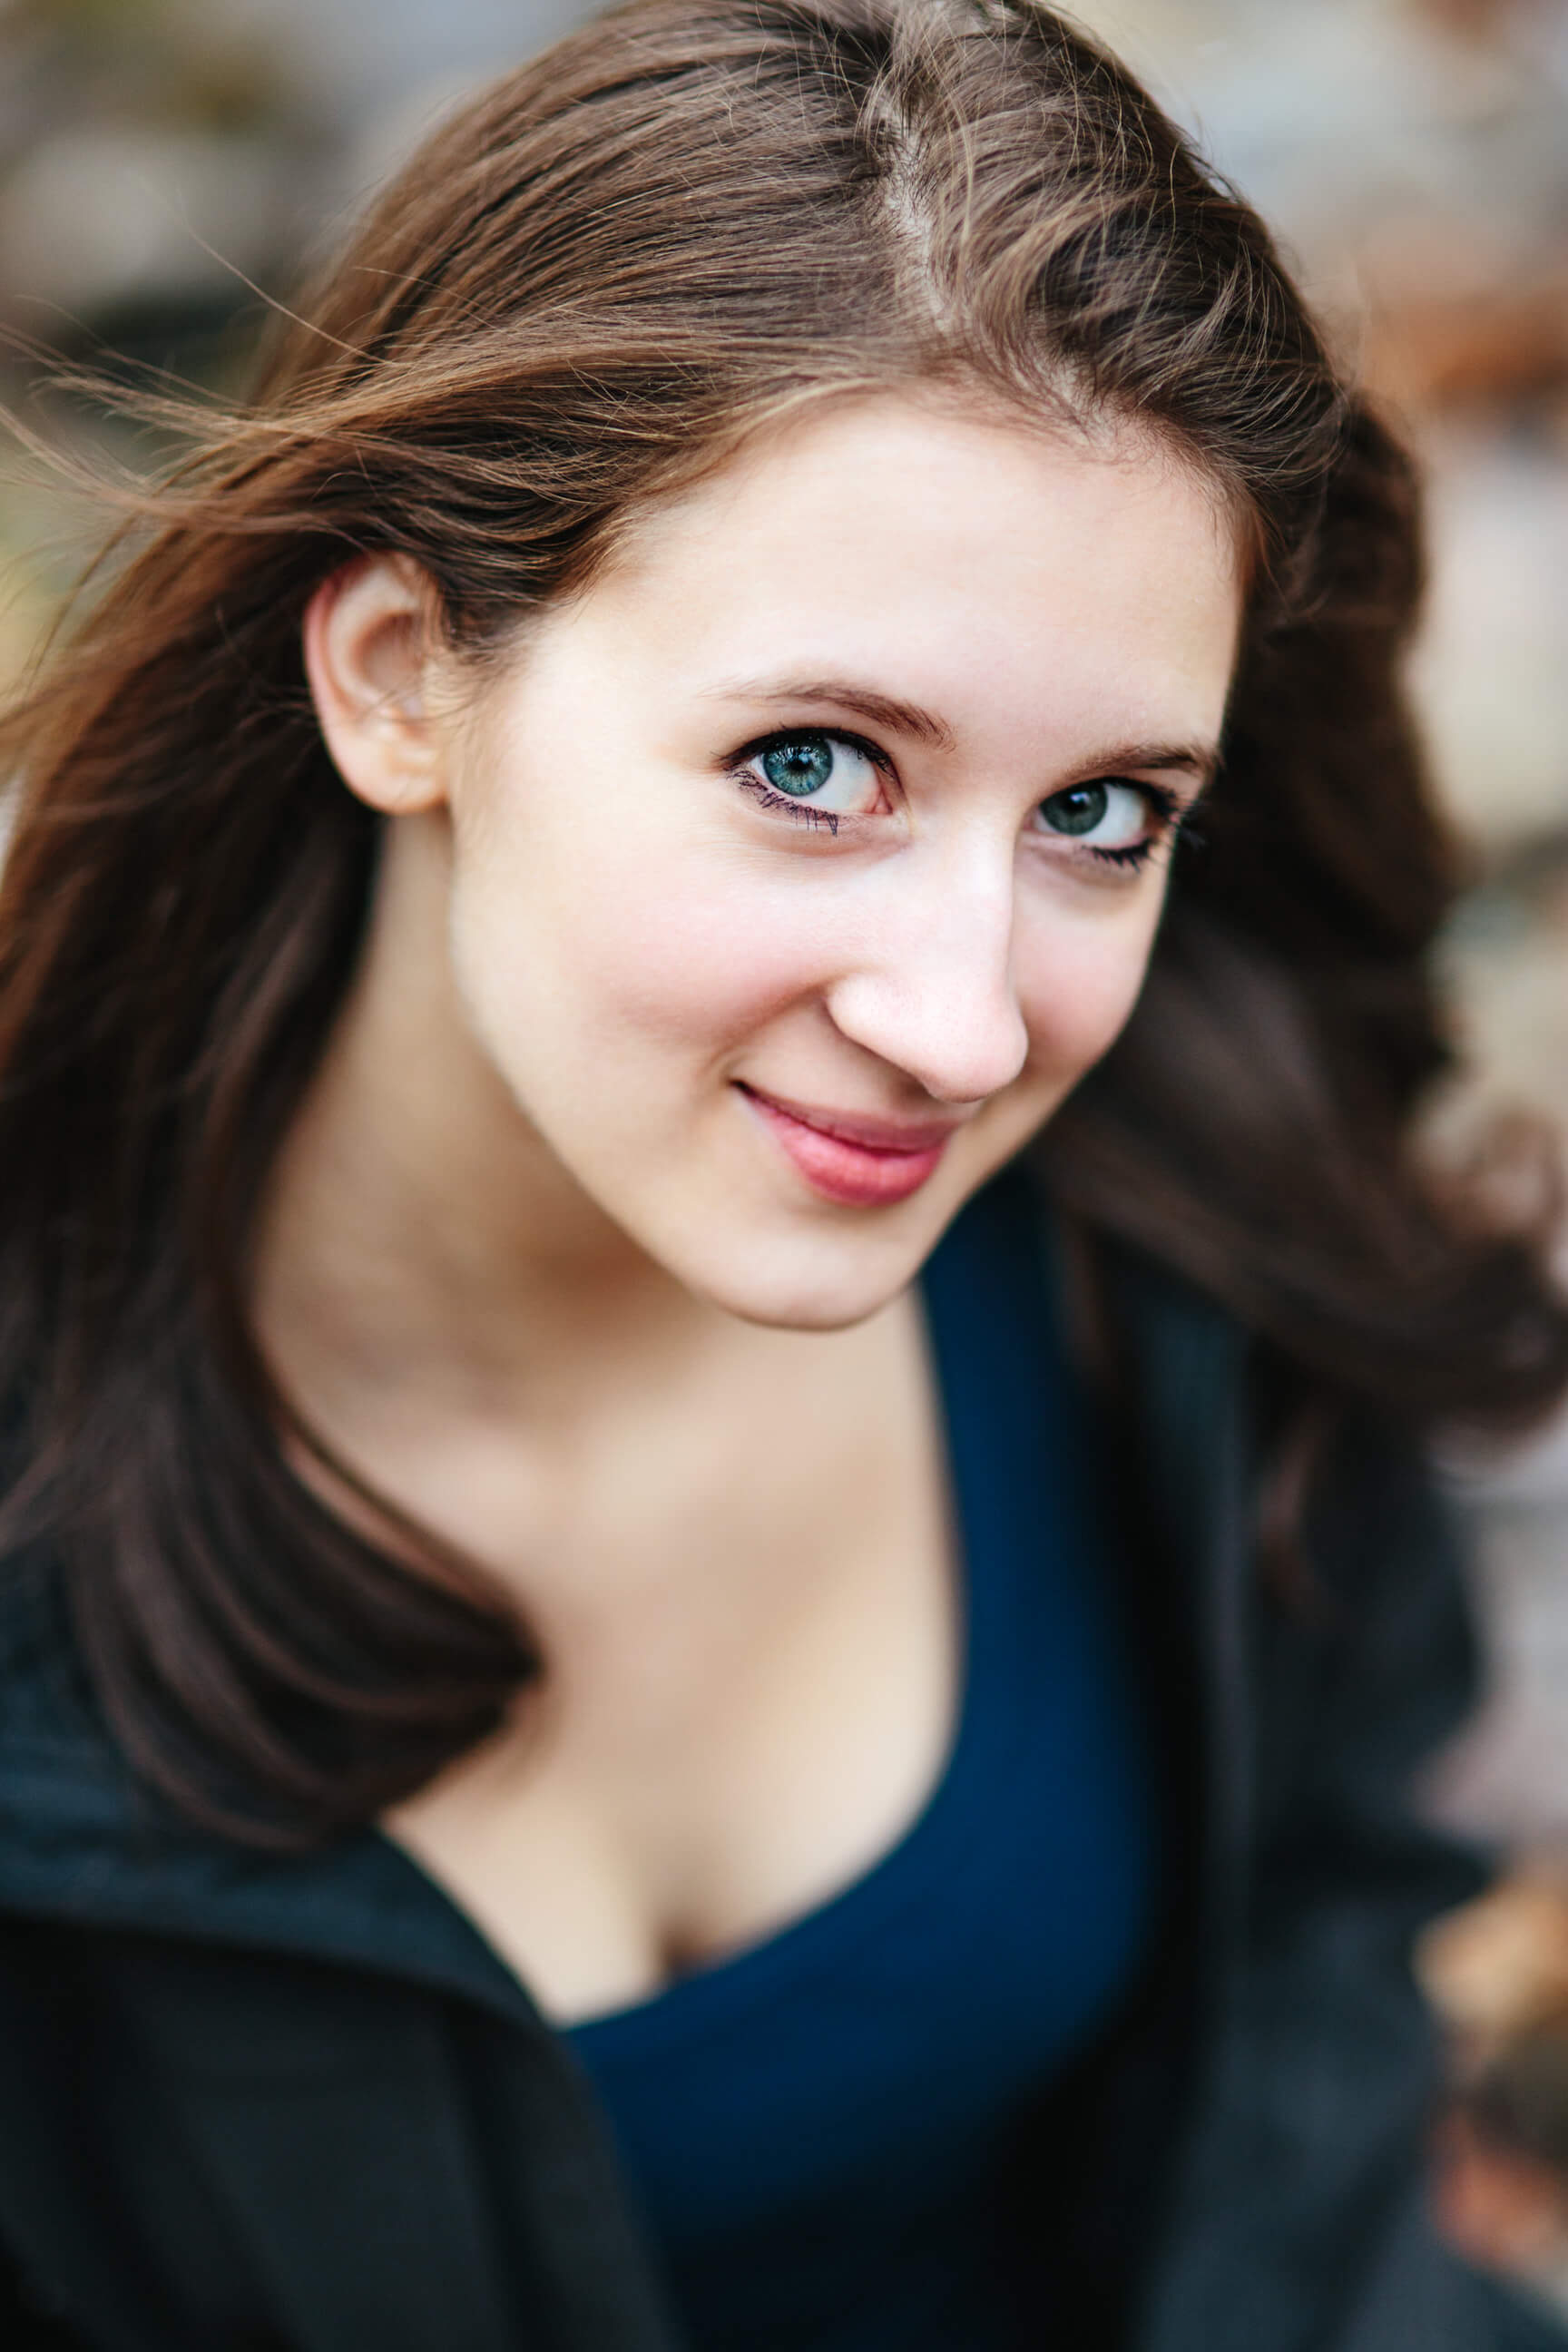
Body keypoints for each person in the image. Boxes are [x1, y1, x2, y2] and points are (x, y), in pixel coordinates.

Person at [0, 1, 1564, 2346]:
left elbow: (1307, 2170)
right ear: (402, 674)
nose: (965, 1019)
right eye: (816, 764)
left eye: (1101, 814)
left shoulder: (1200, 1257)